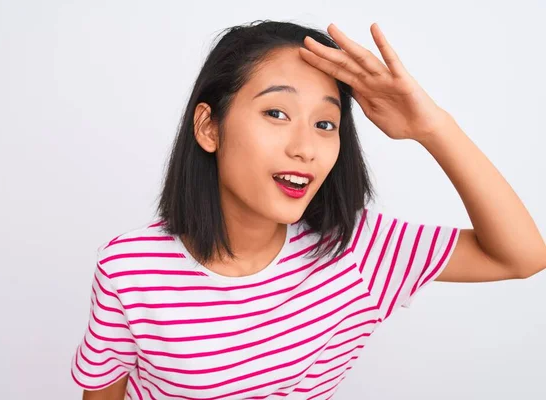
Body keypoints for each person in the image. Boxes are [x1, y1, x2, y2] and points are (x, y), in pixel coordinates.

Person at [70, 20, 546, 399]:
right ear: (209, 127)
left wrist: (433, 128)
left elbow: (522, 256)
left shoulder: (358, 249)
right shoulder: (130, 268)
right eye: (276, 113)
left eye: (325, 123)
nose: (306, 148)